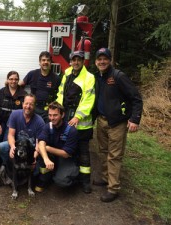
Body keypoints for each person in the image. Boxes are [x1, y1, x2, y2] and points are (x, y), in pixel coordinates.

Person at [94, 48, 143, 202]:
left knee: (114, 155)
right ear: (96, 62)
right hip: (101, 121)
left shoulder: (118, 76)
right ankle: (105, 177)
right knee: (102, 151)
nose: (102, 62)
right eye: (99, 59)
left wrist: (135, 119)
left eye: (105, 59)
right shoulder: (98, 77)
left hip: (117, 123)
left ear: (110, 60)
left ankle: (113, 188)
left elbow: (136, 98)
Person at [56, 51, 95, 194]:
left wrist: (78, 116)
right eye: (73, 60)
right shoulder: (67, 73)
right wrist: (59, 111)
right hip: (66, 116)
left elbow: (88, 99)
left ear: (82, 61)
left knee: (83, 152)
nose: (76, 62)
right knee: (67, 147)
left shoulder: (89, 77)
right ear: (70, 61)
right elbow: (61, 93)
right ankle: (68, 174)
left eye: (79, 60)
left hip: (82, 122)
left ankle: (85, 181)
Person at [0, 71, 27, 181]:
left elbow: (25, 113)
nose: (13, 81)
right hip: (1, 122)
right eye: (11, 79)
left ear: (18, 80)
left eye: (16, 79)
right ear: (7, 80)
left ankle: (4, 167)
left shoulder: (23, 94)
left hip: (14, 125)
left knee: (7, 143)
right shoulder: (1, 93)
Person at [35, 101, 78, 192]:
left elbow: (66, 154)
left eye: (55, 115)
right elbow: (41, 142)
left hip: (66, 159)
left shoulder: (71, 130)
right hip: (53, 157)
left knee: (61, 181)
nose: (52, 118)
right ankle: (44, 179)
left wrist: (48, 148)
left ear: (62, 115)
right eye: (50, 115)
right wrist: (46, 159)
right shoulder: (48, 126)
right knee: (41, 152)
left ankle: (74, 176)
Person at [0, 93, 45, 165]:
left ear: (34, 106)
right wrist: (12, 147)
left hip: (30, 148)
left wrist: (36, 153)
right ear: (22, 104)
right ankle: (8, 166)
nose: (28, 106)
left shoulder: (40, 121)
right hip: (17, 145)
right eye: (26, 103)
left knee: (34, 172)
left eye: (31, 104)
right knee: (1, 147)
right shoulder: (14, 114)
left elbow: (39, 142)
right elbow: (11, 135)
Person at [19, 51, 61, 122]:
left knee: (47, 131)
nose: (45, 62)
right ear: (39, 62)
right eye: (43, 60)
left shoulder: (56, 78)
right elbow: (19, 85)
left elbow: (60, 95)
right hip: (33, 109)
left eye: (48, 60)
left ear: (51, 63)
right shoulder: (32, 74)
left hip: (48, 111)